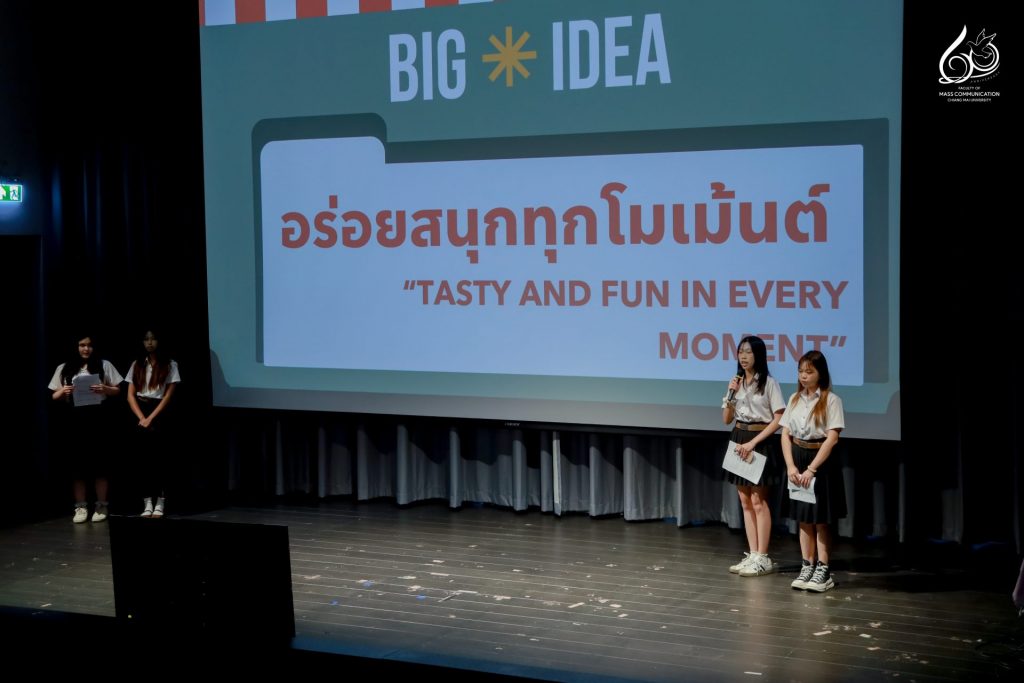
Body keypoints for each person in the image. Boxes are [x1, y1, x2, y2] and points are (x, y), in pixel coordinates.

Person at [780, 350, 846, 592]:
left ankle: (823, 569)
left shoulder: (831, 400)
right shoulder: (794, 399)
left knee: (820, 519)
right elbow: (785, 434)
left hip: (820, 461)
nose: (804, 376)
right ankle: (807, 565)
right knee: (804, 517)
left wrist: (811, 469)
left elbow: (832, 438)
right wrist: (791, 466)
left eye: (809, 371)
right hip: (797, 458)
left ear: (820, 373)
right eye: (800, 371)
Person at [722, 336, 786, 577]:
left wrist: (754, 442)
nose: (743, 356)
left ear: (758, 355)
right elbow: (726, 419)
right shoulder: (736, 383)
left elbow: (779, 417)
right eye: (741, 352)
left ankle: (763, 556)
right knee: (745, 501)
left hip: (759, 440)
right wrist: (730, 395)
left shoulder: (769, 383)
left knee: (759, 501)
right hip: (738, 438)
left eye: (748, 352)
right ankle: (752, 554)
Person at [48, 334, 123, 523]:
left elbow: (117, 390)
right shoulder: (64, 367)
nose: (86, 349)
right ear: (76, 347)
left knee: (100, 463)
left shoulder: (104, 364)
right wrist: (63, 391)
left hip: (98, 418)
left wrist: (105, 389)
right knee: (77, 466)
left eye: (89, 345)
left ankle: (101, 505)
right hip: (75, 420)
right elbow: (53, 395)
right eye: (82, 345)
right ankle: (80, 506)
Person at [125, 328, 181, 518]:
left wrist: (151, 418)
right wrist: (141, 417)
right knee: (143, 461)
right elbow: (130, 395)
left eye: (153, 339)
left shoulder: (170, 364)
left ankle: (161, 501)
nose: (149, 343)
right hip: (140, 411)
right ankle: (147, 502)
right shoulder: (137, 364)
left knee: (161, 460)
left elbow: (168, 396)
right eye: (146, 339)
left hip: (160, 412)